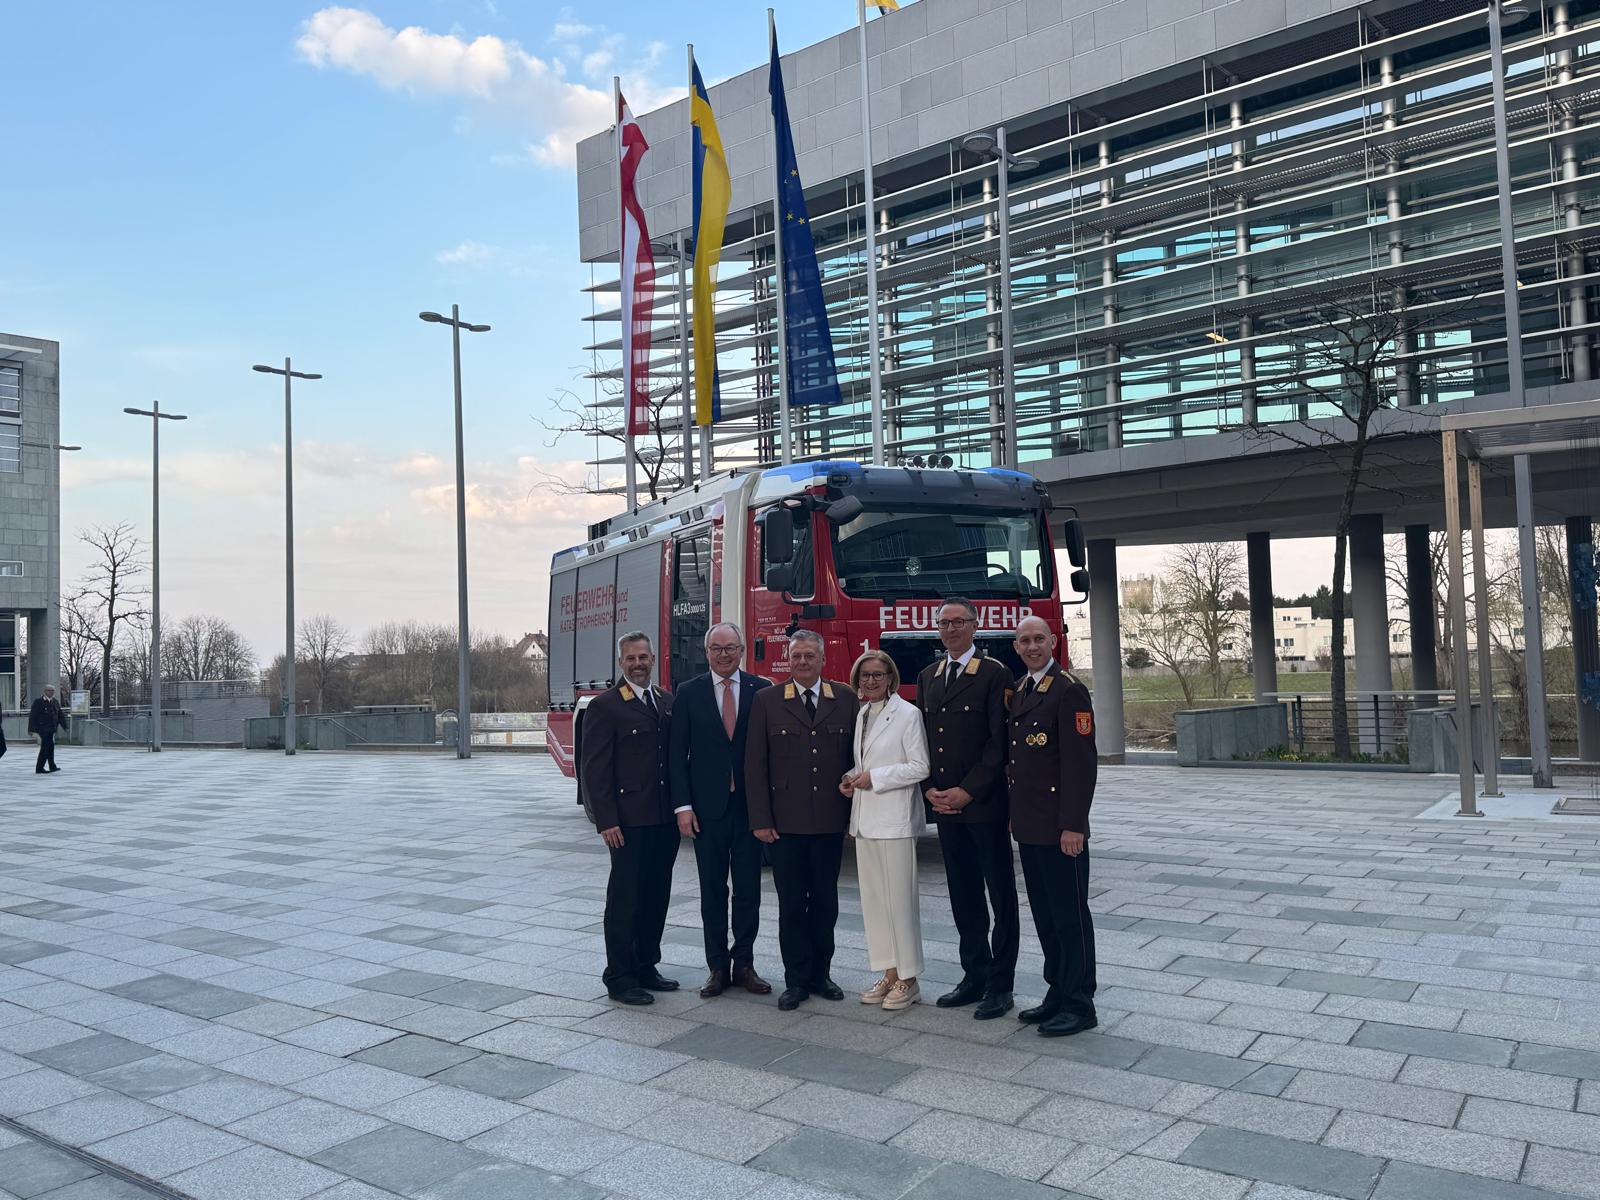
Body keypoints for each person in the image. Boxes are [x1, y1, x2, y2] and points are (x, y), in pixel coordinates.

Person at [916, 597, 1019, 1021]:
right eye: (945, 623)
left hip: (984, 807)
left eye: (960, 622)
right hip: (945, 806)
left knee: (1001, 897)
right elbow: (921, 739)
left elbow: (1000, 743)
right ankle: (973, 974)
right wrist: (931, 790)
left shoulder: (995, 674)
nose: (952, 629)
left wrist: (968, 791)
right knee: (963, 895)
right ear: (937, 629)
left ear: (975, 627)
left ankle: (1002, 984)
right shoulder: (928, 675)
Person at [746, 629, 859, 1011]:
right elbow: (755, 765)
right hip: (785, 825)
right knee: (791, 904)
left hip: (829, 822)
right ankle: (795, 980)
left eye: (810, 656)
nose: (803, 662)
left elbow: (855, 758)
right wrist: (760, 819)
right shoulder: (767, 700)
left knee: (826, 903)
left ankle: (821, 975)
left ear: (823, 659)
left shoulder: (844, 698)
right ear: (787, 660)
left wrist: (852, 815)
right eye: (797, 657)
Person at [668, 622, 774, 998]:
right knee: (712, 890)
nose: (724, 654)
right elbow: (676, 756)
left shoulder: (761, 691)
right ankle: (717, 967)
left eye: (731, 648)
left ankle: (744, 964)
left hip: (749, 810)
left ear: (742, 650)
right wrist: (683, 807)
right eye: (717, 648)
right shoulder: (689, 692)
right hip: (706, 810)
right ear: (706, 652)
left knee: (748, 890)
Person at [1008, 614, 1098, 1038]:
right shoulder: (1024, 688)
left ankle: (1080, 1003)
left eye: (1038, 639)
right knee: (1045, 916)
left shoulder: (1068, 691)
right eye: (1024, 641)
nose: (1031, 647)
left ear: (1053, 641)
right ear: (1016, 647)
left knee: (1069, 916)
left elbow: (1080, 767)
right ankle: (1057, 992)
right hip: (1030, 827)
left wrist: (1073, 826)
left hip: (1061, 829)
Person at [579, 631, 680, 1006]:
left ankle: (645, 965)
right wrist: (606, 821)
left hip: (662, 820)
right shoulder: (606, 706)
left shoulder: (666, 701)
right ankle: (619, 976)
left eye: (643, 657)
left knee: (656, 896)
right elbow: (595, 769)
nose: (638, 664)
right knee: (625, 899)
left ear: (653, 659)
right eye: (630, 658)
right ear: (620, 663)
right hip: (627, 823)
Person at [842, 649, 929, 1012]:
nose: (871, 681)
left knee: (900, 904)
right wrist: (851, 777)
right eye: (866, 676)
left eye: (878, 675)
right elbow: (865, 761)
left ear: (891, 678)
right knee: (875, 905)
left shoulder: (908, 715)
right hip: (865, 820)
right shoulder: (862, 714)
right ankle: (889, 971)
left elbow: (919, 766)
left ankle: (909, 979)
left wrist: (874, 779)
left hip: (894, 820)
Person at [28, 686, 67, 775]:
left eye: (53, 691)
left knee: (50, 746)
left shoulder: (55, 701)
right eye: (49, 690)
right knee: (45, 747)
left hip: (52, 728)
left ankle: (52, 766)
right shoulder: (38, 702)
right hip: (42, 728)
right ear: (45, 691)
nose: (51, 692)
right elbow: (32, 716)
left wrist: (64, 726)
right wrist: (30, 729)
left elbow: (60, 715)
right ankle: (39, 768)